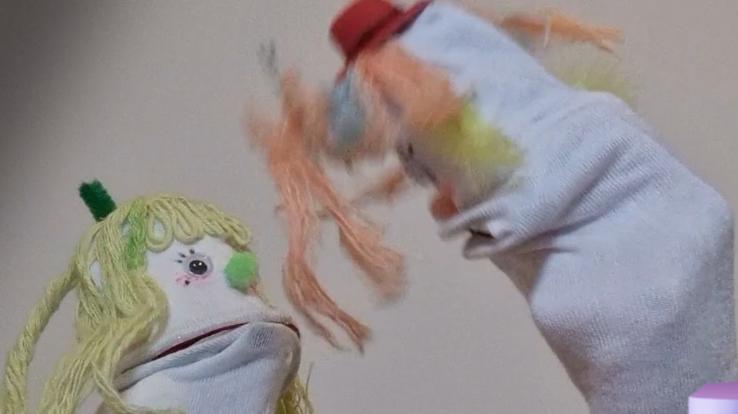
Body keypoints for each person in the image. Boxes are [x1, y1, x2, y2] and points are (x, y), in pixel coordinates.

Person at [327, 1, 738, 413]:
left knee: (677, 364)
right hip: (667, 246)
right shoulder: (467, 42)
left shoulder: (418, 81)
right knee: (712, 386)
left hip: (633, 303)